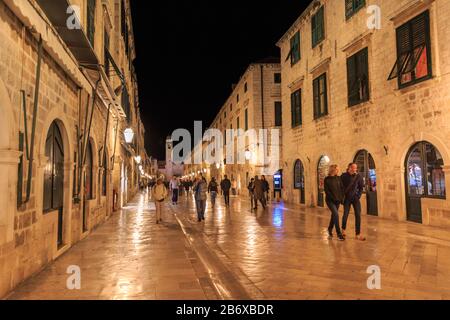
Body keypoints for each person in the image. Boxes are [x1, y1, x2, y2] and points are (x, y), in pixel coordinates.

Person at [341, 163, 367, 241]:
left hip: (355, 198)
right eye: (353, 167)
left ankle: (357, 234)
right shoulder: (343, 176)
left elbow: (361, 187)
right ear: (349, 167)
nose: (354, 169)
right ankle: (343, 230)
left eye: (355, 168)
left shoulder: (358, 176)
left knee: (358, 215)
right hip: (347, 198)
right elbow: (340, 187)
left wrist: (358, 196)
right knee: (345, 214)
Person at [324, 165, 345, 241]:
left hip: (338, 200)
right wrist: (334, 198)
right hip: (330, 201)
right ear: (333, 170)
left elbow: (342, 189)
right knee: (336, 214)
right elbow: (327, 191)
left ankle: (329, 229)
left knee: (334, 215)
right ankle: (339, 234)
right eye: (337, 169)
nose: (338, 170)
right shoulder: (327, 179)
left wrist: (342, 198)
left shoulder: (338, 178)